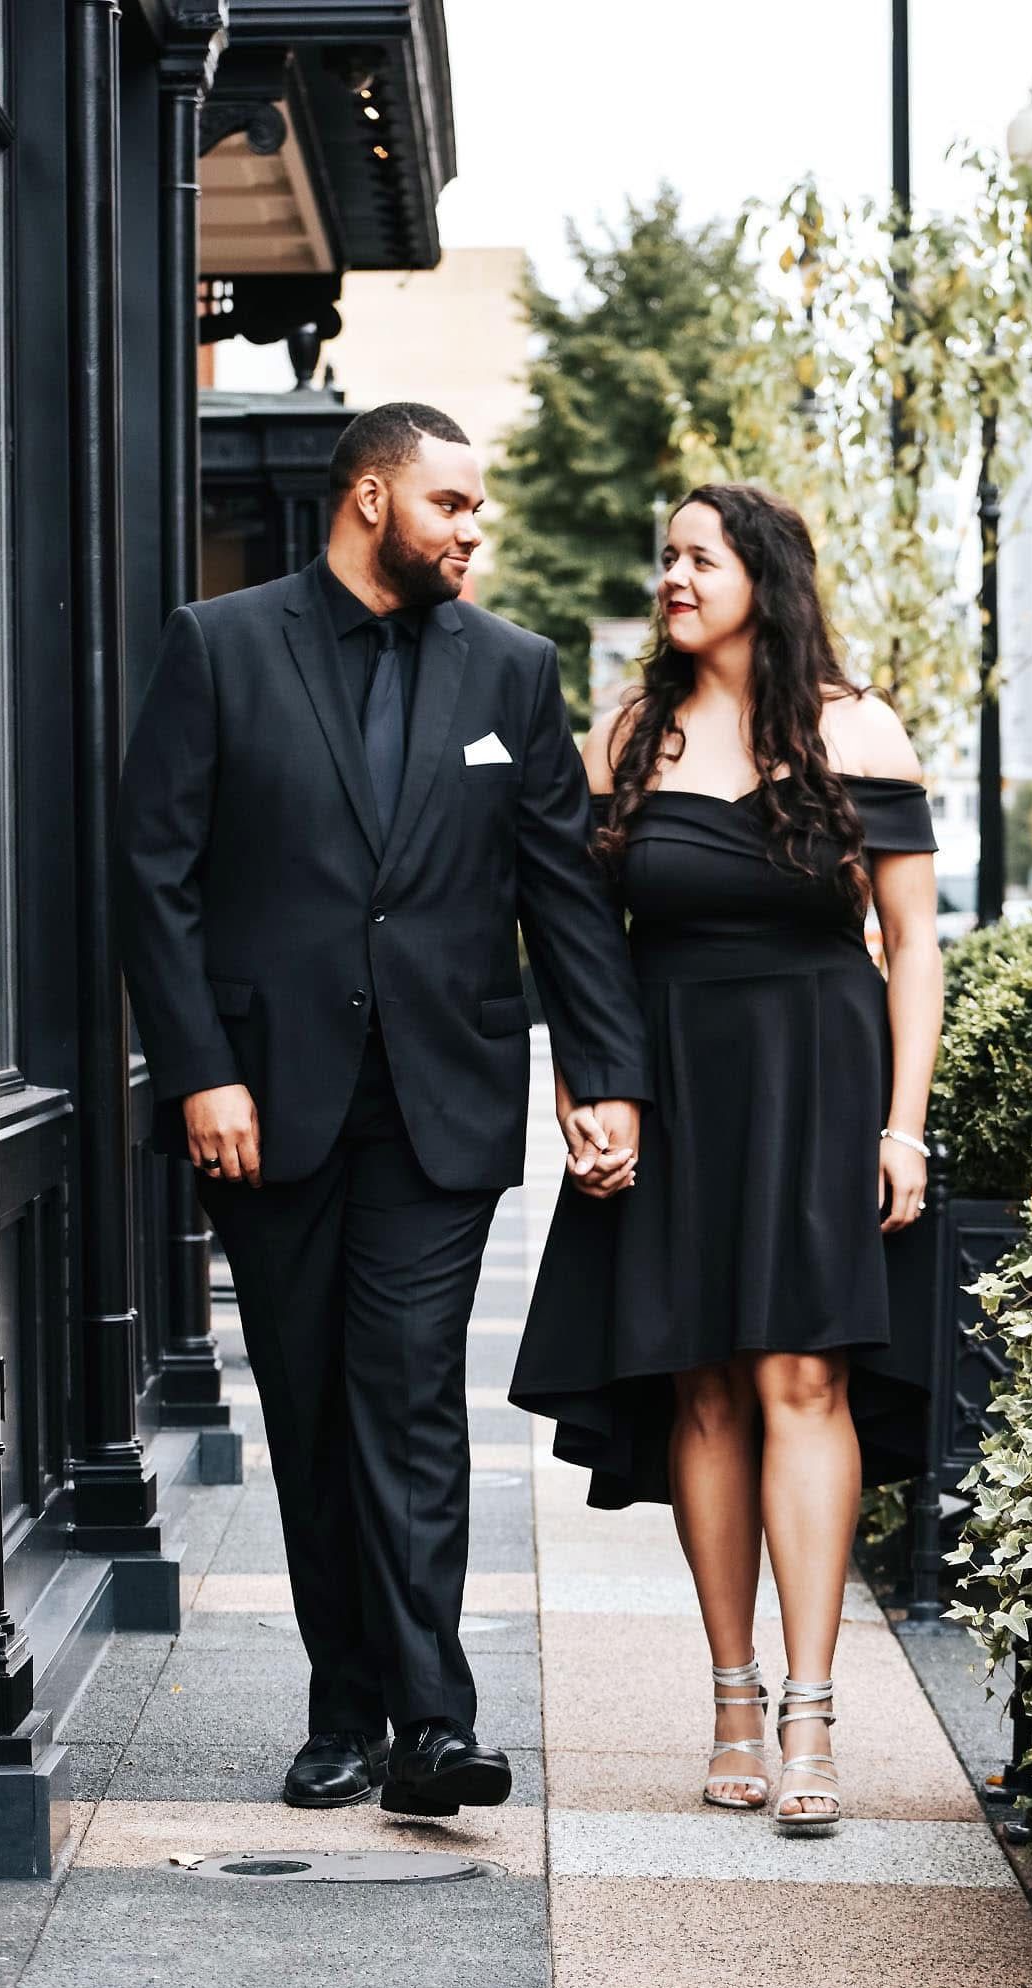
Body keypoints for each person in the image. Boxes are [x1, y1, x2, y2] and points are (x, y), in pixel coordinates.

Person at [113, 402, 648, 1817]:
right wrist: (197, 1073)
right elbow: (151, 879)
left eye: (478, 510)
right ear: (367, 499)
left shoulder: (513, 674)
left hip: (438, 1099)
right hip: (264, 1102)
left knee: (409, 1396)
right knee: (309, 1407)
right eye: (452, 505)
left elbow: (564, 901)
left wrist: (604, 1077)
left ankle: (428, 1721)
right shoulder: (218, 645)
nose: (476, 529)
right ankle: (339, 1709)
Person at [511, 484, 943, 1833]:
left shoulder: (857, 727)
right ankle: (733, 1704)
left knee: (802, 1371)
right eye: (666, 559)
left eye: (698, 557)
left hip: (819, 1071)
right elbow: (575, 946)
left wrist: (904, 1121)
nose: (673, 578)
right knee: (701, 1384)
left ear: (765, 573)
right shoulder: (628, 734)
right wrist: (589, 1099)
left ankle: (815, 1713)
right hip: (674, 1074)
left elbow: (914, 942)